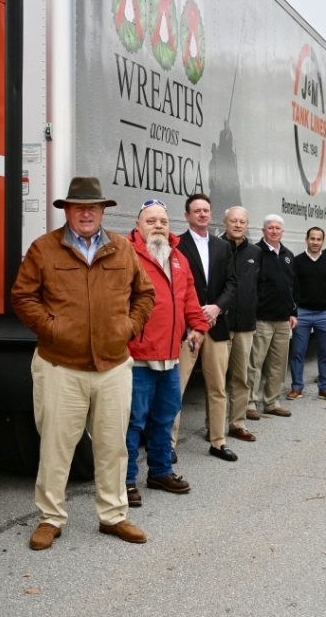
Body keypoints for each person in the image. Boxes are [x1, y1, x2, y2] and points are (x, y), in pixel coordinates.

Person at [10, 177, 155, 550]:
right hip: (60, 364)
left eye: (93, 207)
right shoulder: (44, 249)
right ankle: (50, 517)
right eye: (78, 207)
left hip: (112, 366)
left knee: (112, 446)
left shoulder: (122, 249)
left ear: (103, 211)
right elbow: (22, 296)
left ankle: (113, 515)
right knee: (57, 446)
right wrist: (53, 330)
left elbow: (145, 294)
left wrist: (128, 326)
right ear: (67, 211)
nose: (86, 213)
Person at [125, 200, 208, 508]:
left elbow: (189, 298)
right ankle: (125, 480)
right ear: (138, 226)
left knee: (164, 417)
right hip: (138, 357)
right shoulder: (126, 255)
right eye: (151, 221)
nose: (158, 225)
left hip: (171, 357)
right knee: (133, 421)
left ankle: (160, 471)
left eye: (163, 221)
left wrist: (198, 326)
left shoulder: (178, 258)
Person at [172, 194, 238, 462]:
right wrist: (194, 313)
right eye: (196, 211)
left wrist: (217, 307)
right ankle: (168, 443)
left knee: (217, 386)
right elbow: (174, 285)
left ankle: (218, 441)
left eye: (206, 210)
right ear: (187, 215)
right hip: (188, 328)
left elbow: (233, 283)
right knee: (177, 387)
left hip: (216, 325)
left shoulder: (223, 247)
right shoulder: (176, 245)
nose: (201, 215)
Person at [246, 215, 297, 419]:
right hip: (262, 319)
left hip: (283, 320)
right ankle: (250, 403)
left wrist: (294, 312)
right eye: (270, 228)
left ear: (282, 232)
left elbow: (294, 287)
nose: (274, 231)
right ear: (263, 231)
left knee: (278, 364)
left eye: (278, 228)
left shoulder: (288, 255)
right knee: (255, 363)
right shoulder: (256, 253)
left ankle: (272, 402)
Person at [221, 207, 262, 441]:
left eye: (242, 222)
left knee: (241, 376)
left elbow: (261, 285)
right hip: (220, 324)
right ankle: (214, 426)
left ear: (247, 225)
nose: (238, 225)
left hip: (245, 324)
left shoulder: (256, 252)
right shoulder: (215, 248)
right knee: (216, 381)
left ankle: (237, 424)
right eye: (233, 221)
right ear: (225, 223)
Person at [288, 227, 326, 401]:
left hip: (325, 314)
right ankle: (297, 387)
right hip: (302, 313)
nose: (315, 242)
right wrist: (294, 311)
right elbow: (292, 288)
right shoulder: (297, 261)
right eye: (312, 239)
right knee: (297, 352)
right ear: (306, 239)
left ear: (323, 241)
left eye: (319, 239)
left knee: (325, 353)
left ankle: (324, 388)